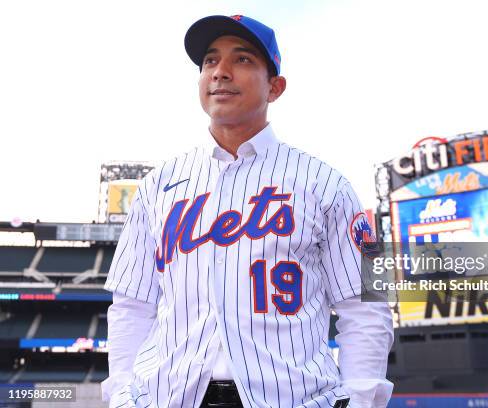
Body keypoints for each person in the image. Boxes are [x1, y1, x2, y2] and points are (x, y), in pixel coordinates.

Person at [102, 14, 394, 408]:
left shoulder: (329, 183)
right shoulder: (157, 186)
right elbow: (131, 306)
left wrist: (360, 400)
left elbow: (367, 305)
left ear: (275, 87)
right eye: (209, 61)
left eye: (241, 60)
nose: (220, 72)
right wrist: (121, 396)